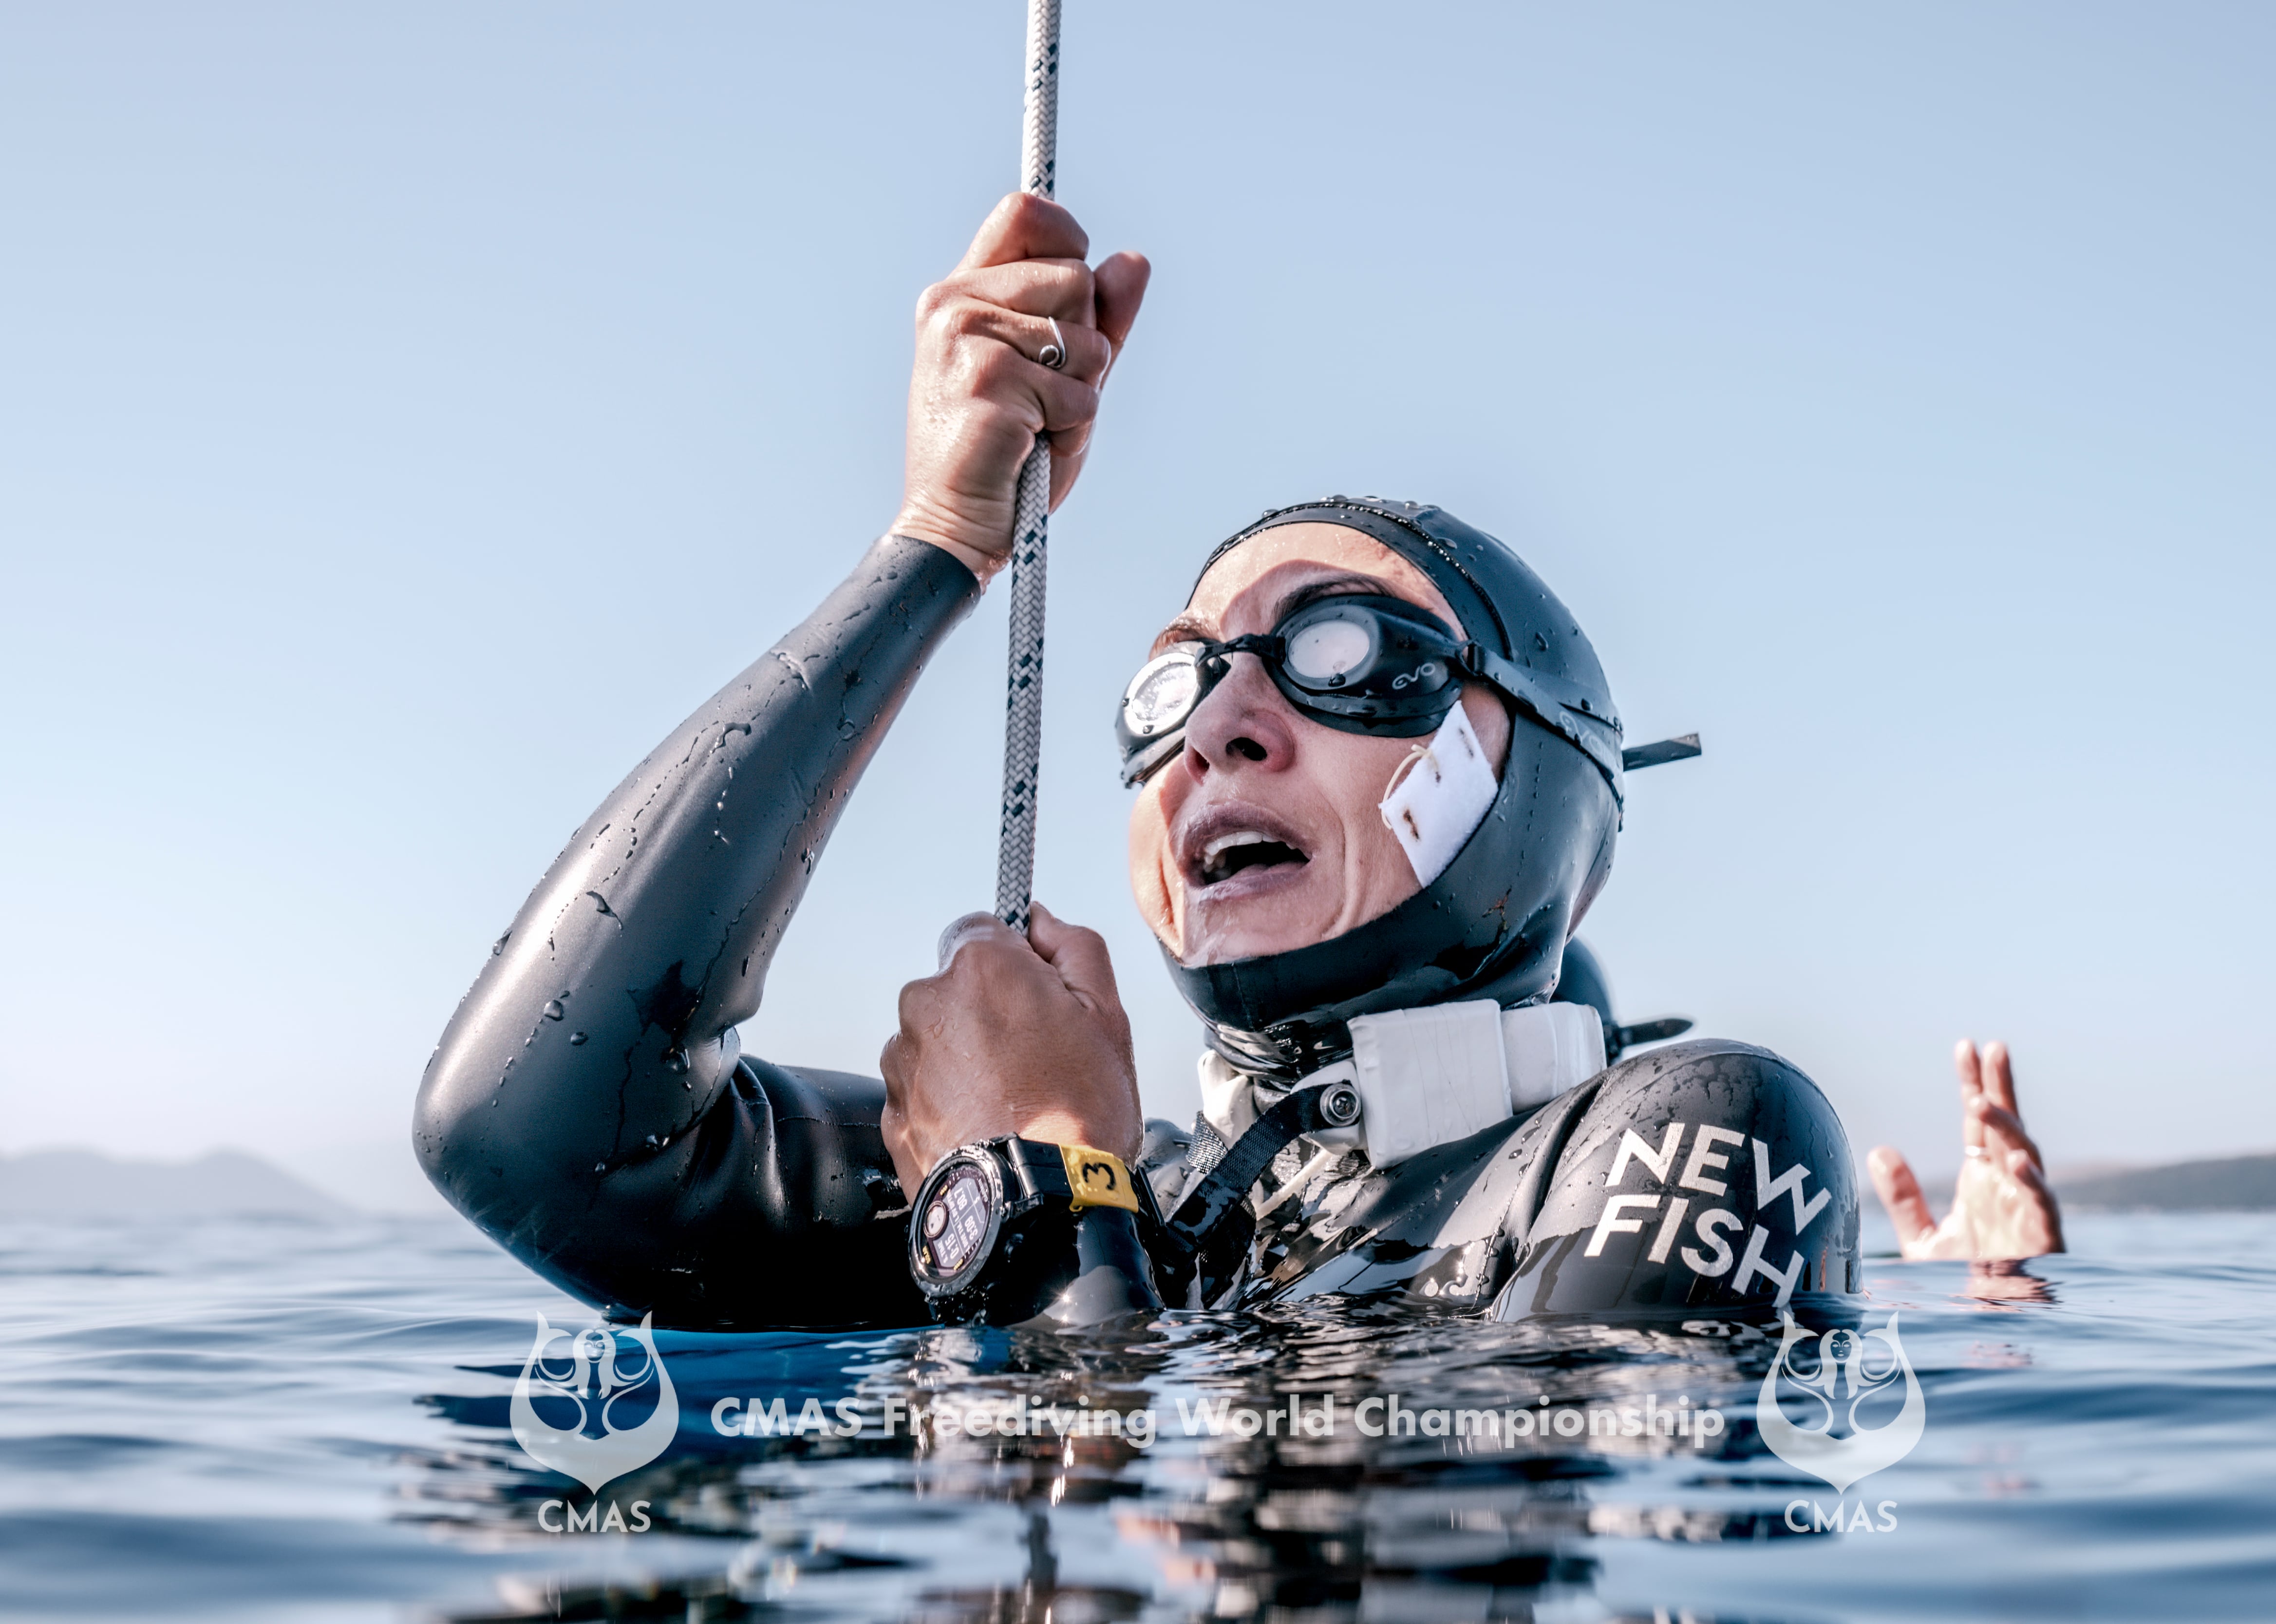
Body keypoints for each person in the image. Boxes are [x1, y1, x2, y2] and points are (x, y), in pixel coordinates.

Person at [414, 195, 2062, 1330]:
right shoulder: (1139, 1183)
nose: (1216, 726)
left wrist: (1035, 1186)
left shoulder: (1690, 1133)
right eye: (1177, 685)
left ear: (1560, 786)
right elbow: (531, 1134)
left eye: (1349, 656)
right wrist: (935, 543)